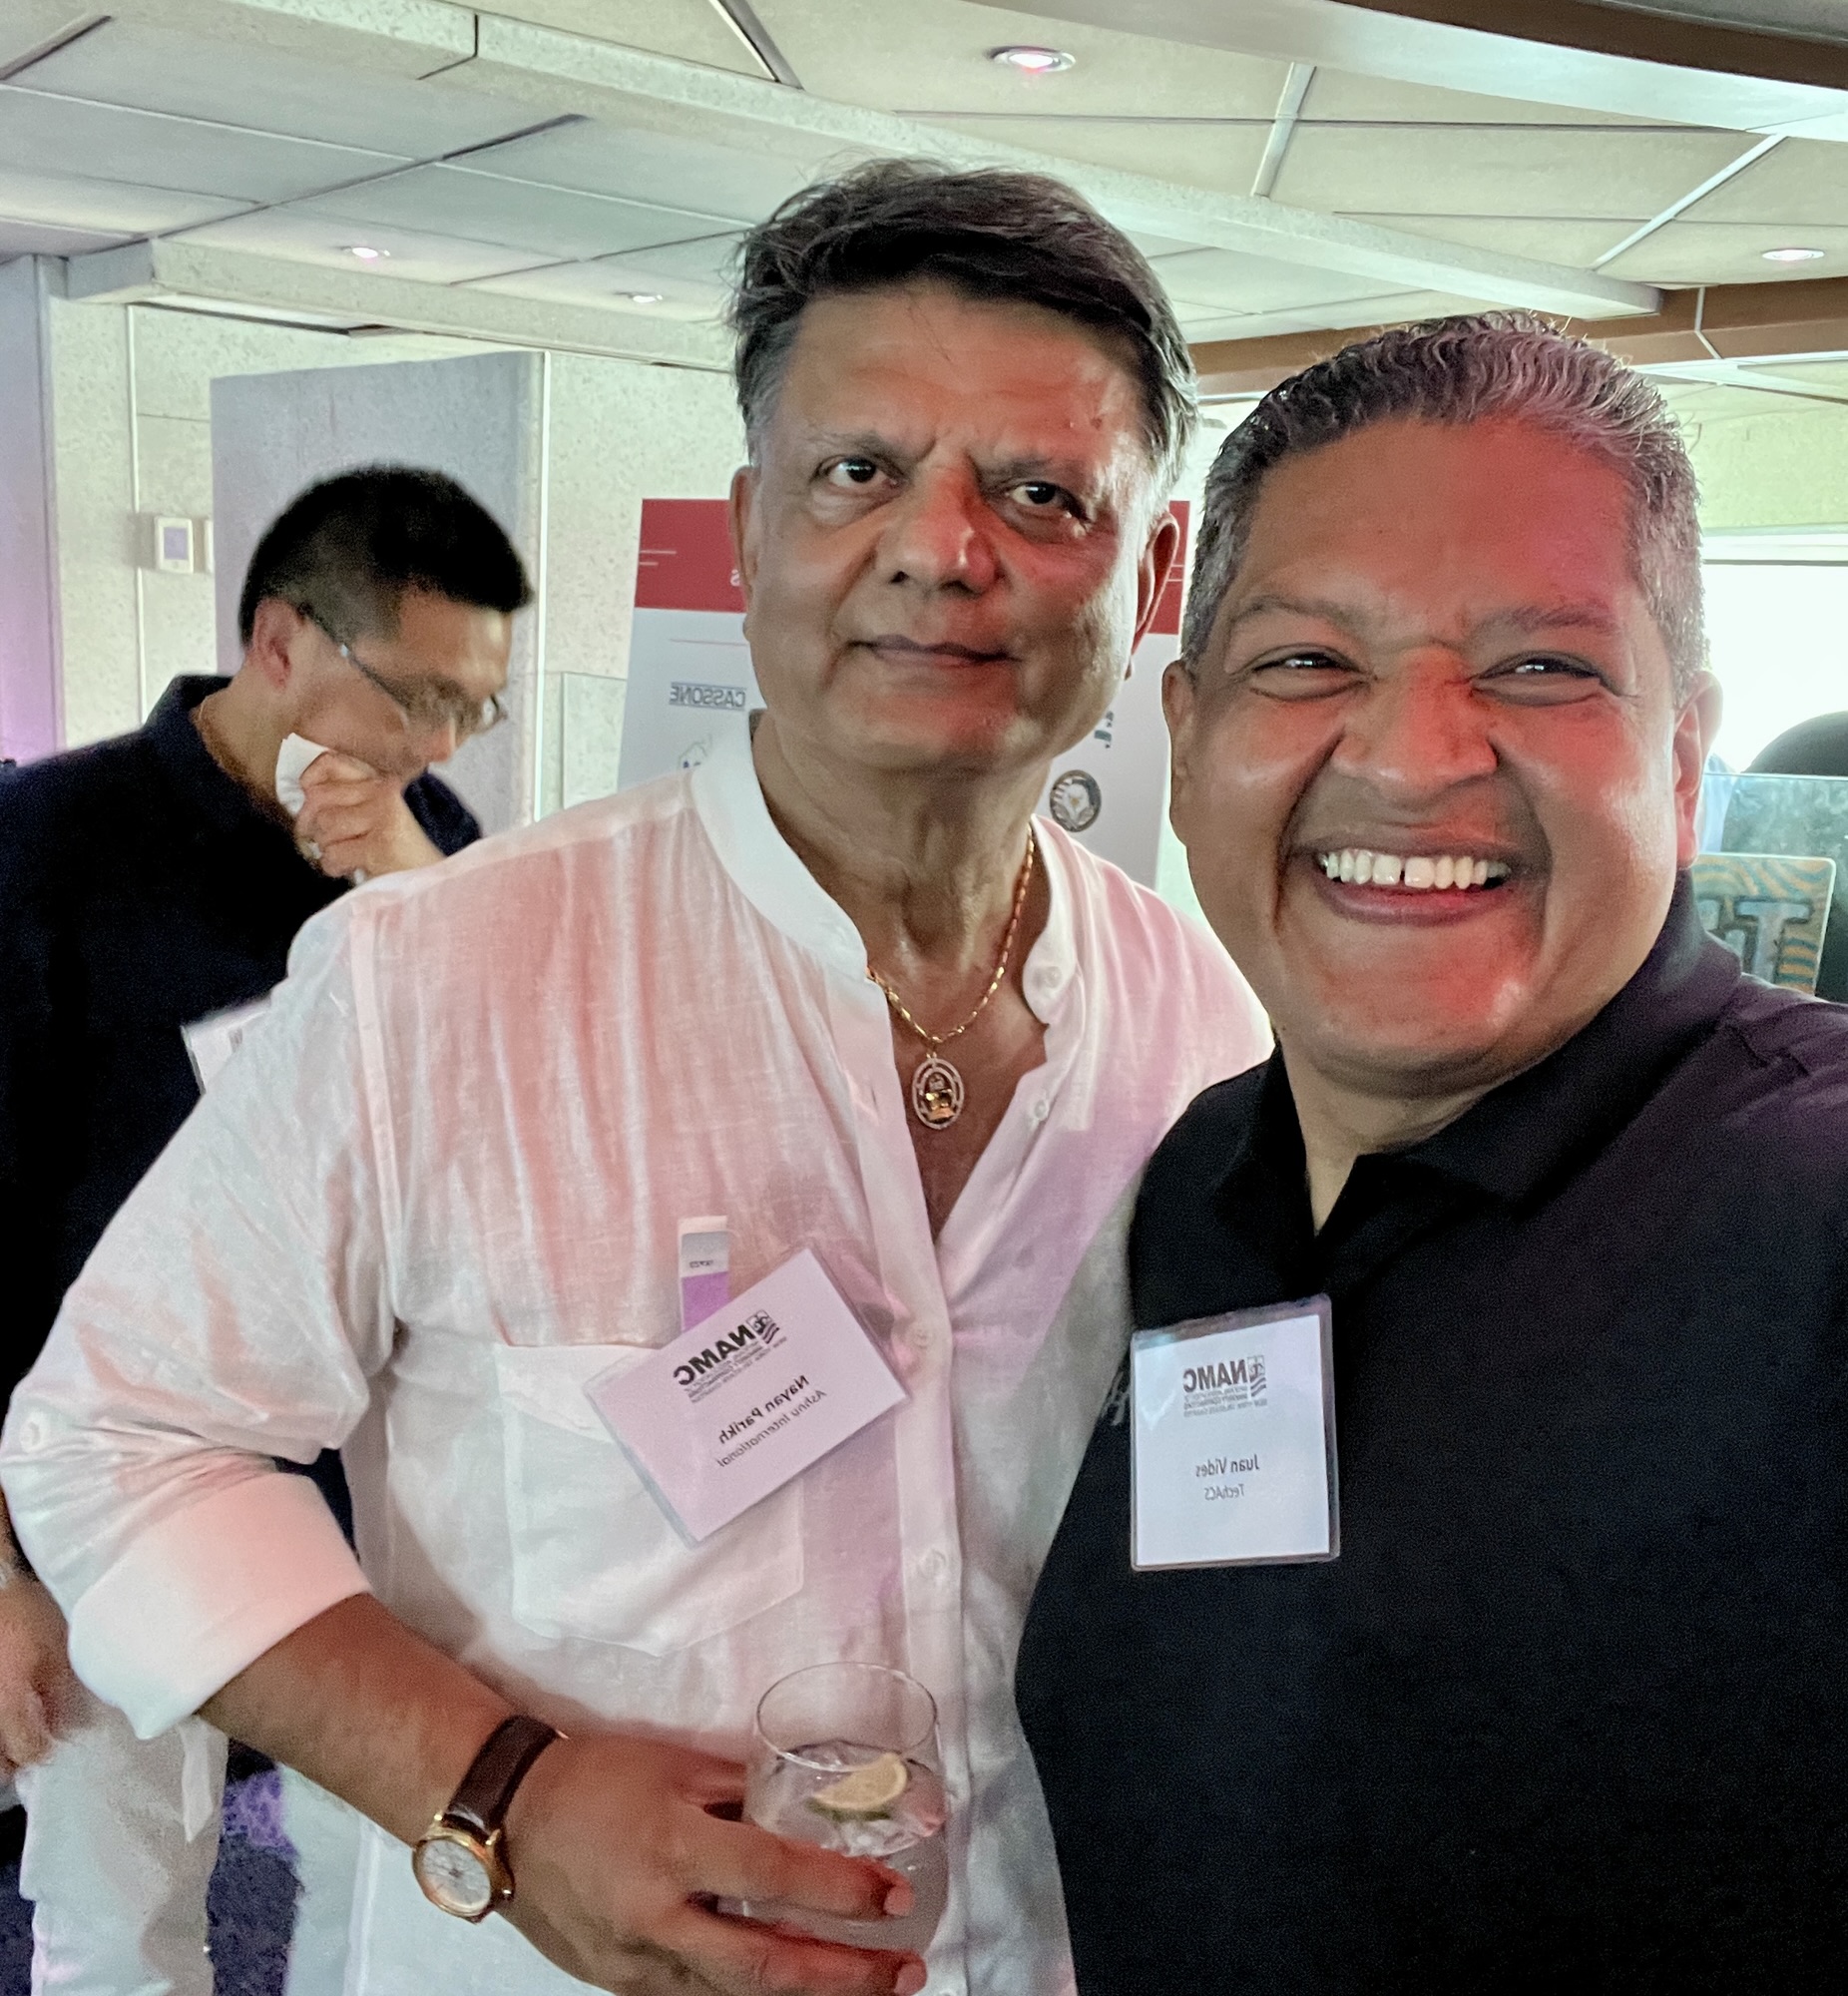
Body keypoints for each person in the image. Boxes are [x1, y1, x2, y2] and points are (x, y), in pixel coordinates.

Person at [1, 162, 1268, 1996]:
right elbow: (117, 1439)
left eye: (1041, 494)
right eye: (858, 472)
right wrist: (495, 1790)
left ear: (1151, 574)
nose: (940, 548)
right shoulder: (439, 977)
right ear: (749, 533)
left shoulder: (1204, 1025)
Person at [1017, 312, 1848, 1992]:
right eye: (1307, 662)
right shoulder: (1206, 1182)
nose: (1407, 759)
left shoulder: (1811, 1214)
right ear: (1188, 735)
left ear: (1683, 761)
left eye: (1542, 667)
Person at [0, 463, 529, 1996]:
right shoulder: (49, 846)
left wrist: (414, 888)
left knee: (389, 1897)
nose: (439, 744)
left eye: (472, 707)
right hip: (113, 1485)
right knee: (119, 1918)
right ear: (282, 640)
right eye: (415, 696)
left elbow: (500, 1125)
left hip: (370, 1485)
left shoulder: (428, 827)